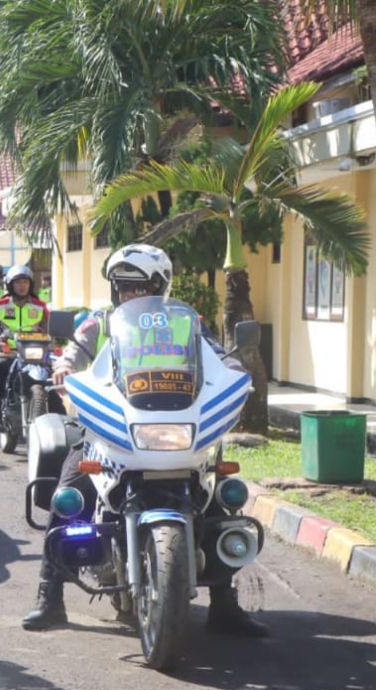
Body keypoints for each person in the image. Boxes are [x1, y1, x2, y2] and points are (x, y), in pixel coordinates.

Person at [22, 243, 267, 637]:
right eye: (123, 287)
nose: (129, 295)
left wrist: (233, 366)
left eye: (138, 287)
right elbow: (73, 352)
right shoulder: (98, 322)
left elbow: (218, 355)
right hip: (115, 426)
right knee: (69, 493)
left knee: (219, 496)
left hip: (178, 422)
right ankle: (49, 597)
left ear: (160, 285)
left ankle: (225, 603)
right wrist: (65, 367)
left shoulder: (188, 324)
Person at [0, 265, 49, 428]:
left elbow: (50, 329)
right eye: (18, 282)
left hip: (34, 353)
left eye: (25, 282)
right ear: (10, 285)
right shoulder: (0, 305)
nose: (22, 286)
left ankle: (58, 420)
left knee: (52, 379)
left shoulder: (40, 306)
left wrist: (55, 342)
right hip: (8, 351)